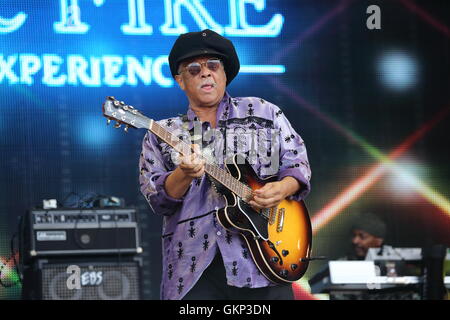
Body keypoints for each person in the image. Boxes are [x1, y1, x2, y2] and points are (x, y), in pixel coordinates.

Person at [139, 29, 311, 300]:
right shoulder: (162, 132)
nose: (205, 73)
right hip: (193, 267)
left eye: (213, 66)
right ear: (180, 80)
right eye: (193, 69)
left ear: (224, 74)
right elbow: (158, 200)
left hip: (267, 258)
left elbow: (297, 163)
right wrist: (183, 174)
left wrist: (281, 189)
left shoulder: (264, 112)